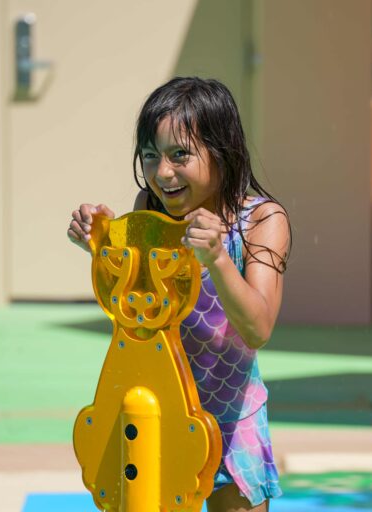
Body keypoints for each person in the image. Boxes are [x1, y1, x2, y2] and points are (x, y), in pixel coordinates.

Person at [67, 77, 290, 512]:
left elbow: (258, 327)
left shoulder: (259, 220)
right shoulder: (148, 207)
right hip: (160, 407)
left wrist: (218, 259)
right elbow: (136, 314)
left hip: (231, 414)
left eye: (179, 155)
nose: (162, 172)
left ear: (221, 152)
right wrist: (104, 248)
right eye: (150, 156)